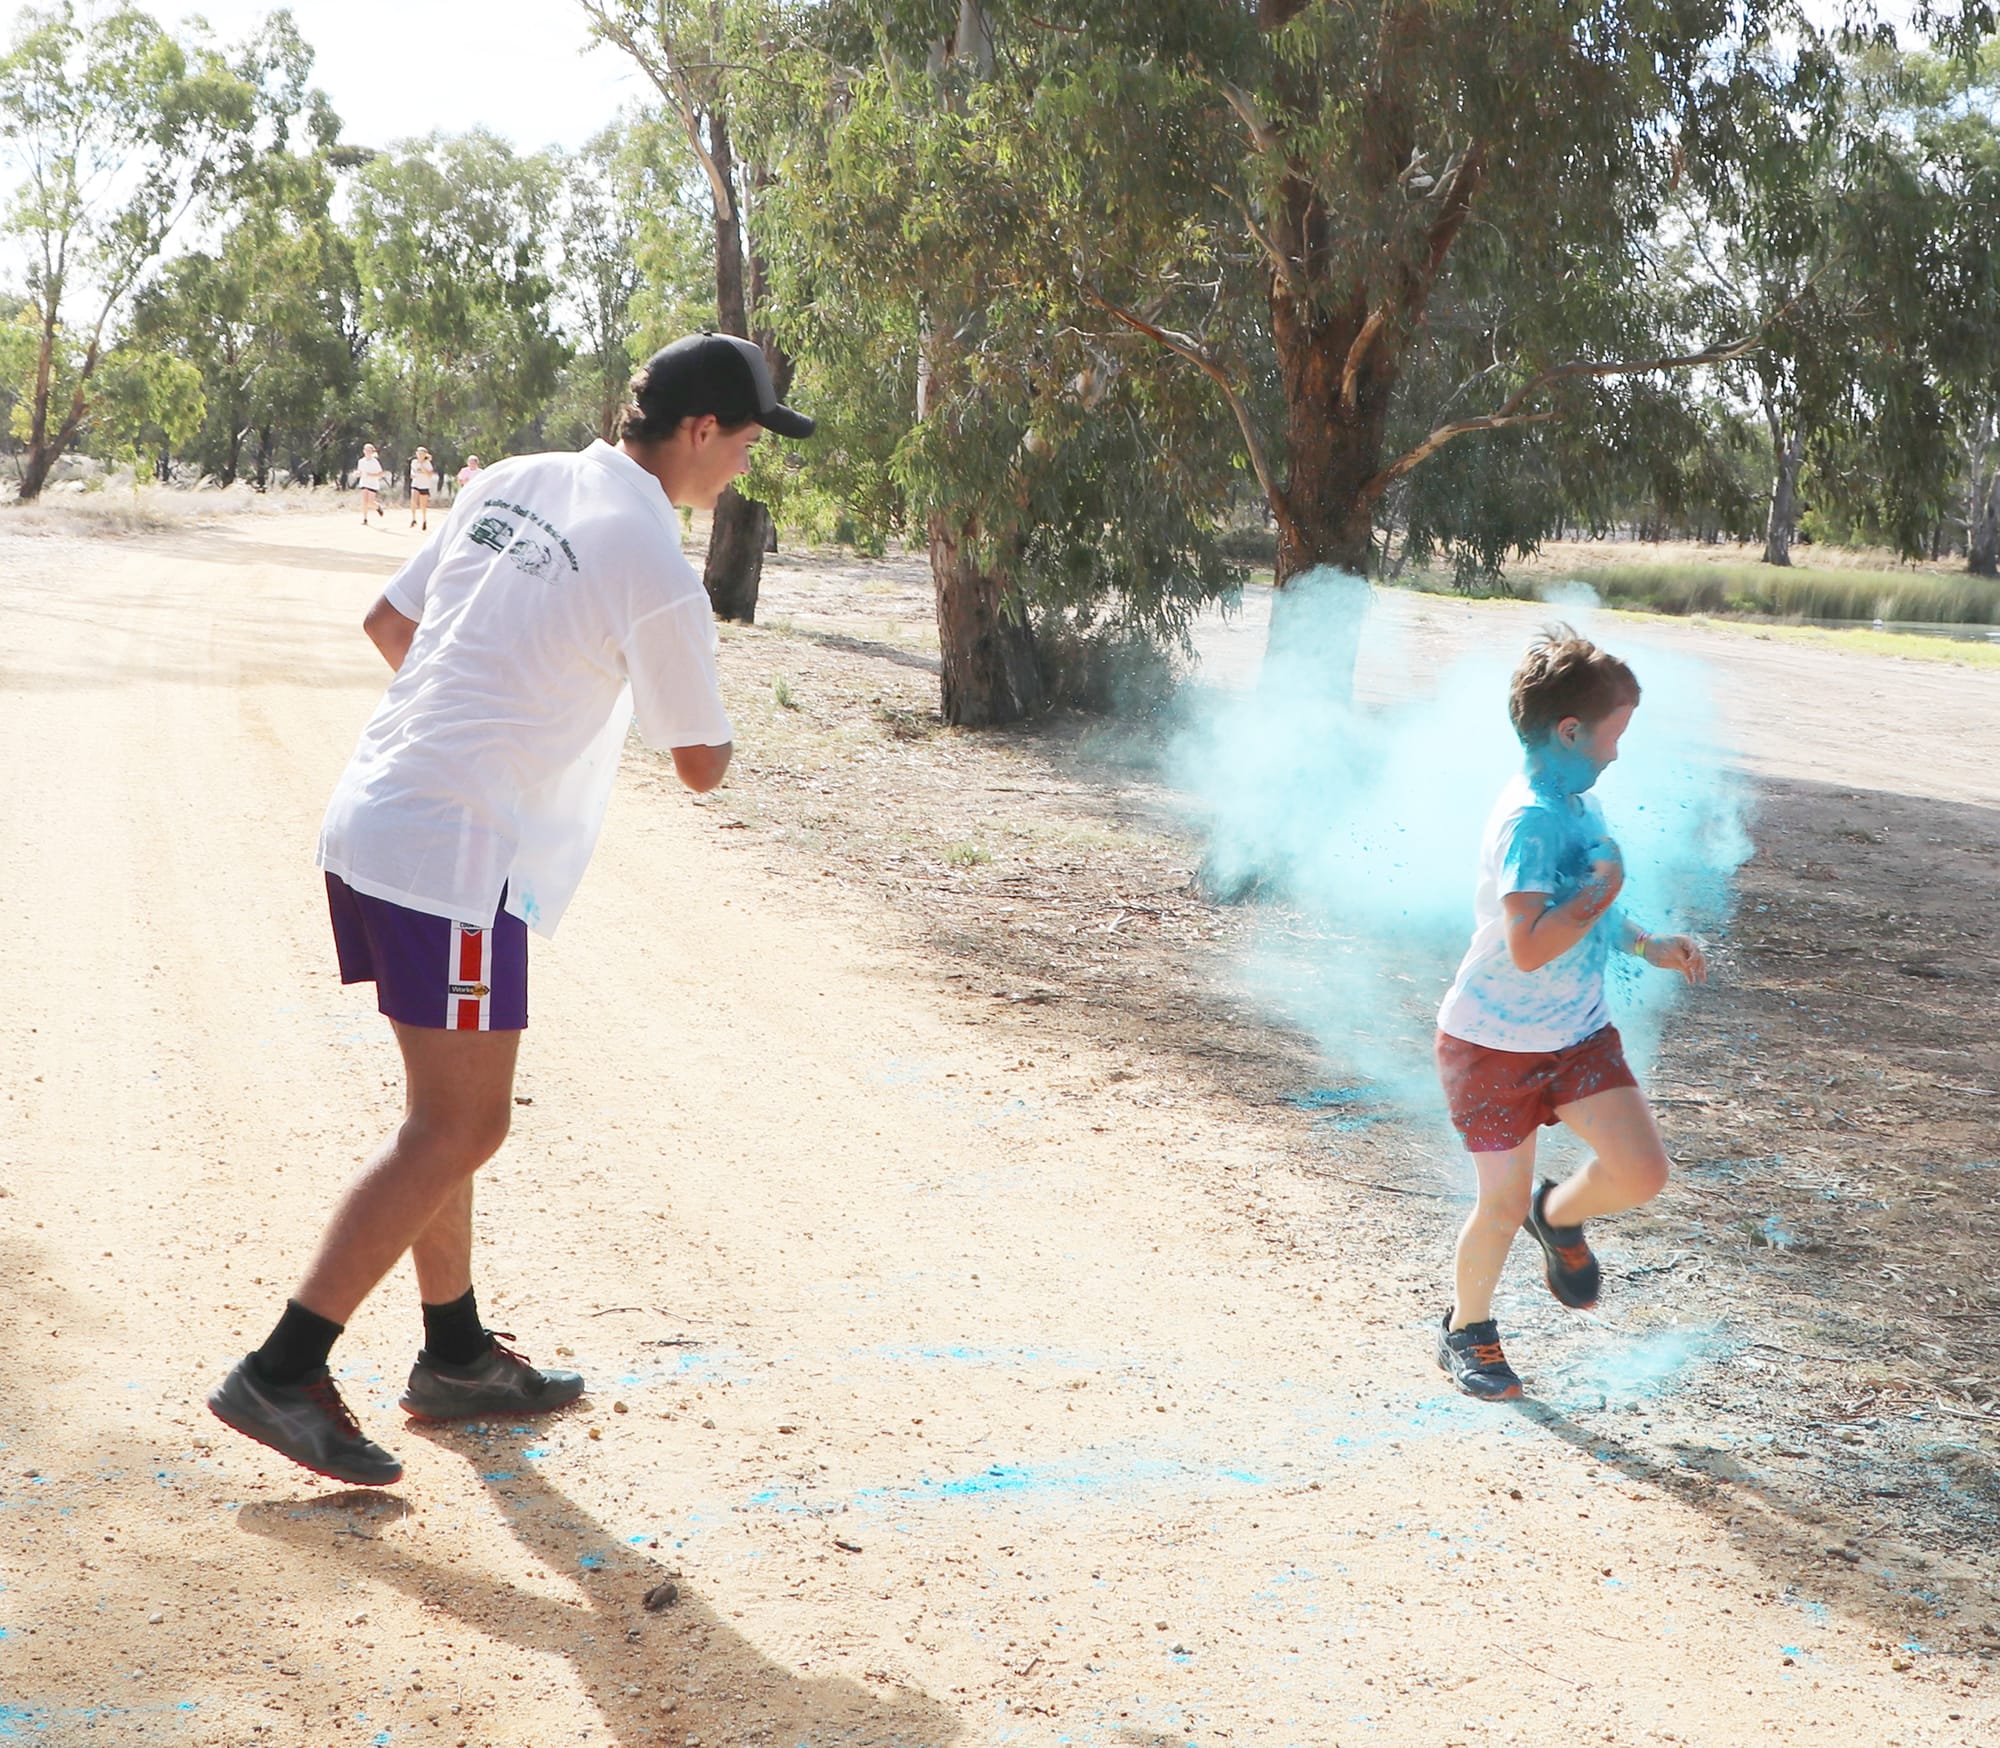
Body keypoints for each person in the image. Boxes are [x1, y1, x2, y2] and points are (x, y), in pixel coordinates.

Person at [208, 334, 814, 1485]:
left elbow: (392, 627)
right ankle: (283, 1367)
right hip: (457, 860)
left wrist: (478, 709)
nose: (743, 463)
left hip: (375, 818)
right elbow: (699, 760)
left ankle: (454, 1352)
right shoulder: (652, 560)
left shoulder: (518, 476)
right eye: (743, 440)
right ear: (696, 432)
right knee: (461, 1128)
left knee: (446, 1112)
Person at [1433, 627, 1708, 1401]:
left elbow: (1582, 912)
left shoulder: (1577, 802)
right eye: (1615, 734)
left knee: (1642, 1171)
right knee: (1497, 1204)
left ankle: (1558, 1216)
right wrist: (1602, 893)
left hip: (1577, 1029)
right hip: (1491, 1044)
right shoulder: (1530, 819)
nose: (1619, 752)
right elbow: (1527, 945)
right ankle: (1467, 1330)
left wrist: (1647, 942)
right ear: (1570, 731)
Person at [356, 443, 386, 525]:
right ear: (363, 451)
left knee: (370, 502)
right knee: (364, 501)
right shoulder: (361, 461)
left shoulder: (375, 462)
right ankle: (365, 519)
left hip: (373, 484)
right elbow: (360, 471)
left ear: (372, 452)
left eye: (369, 450)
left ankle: (378, 507)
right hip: (363, 483)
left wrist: (372, 475)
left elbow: (381, 473)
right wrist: (357, 473)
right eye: (366, 450)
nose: (368, 452)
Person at [409, 446, 438, 530]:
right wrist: (412, 474)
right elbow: (412, 470)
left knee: (423, 505)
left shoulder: (427, 463)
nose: (420, 455)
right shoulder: (414, 462)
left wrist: (422, 467)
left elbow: (429, 475)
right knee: (413, 501)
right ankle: (413, 519)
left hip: (424, 485)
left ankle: (424, 520)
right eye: (419, 453)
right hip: (415, 484)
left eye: (422, 453)